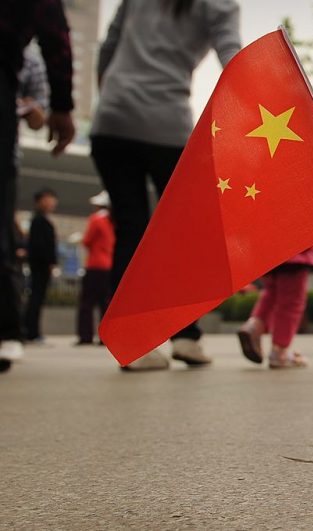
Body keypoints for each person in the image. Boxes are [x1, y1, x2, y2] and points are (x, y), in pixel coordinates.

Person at [91, 0, 241, 370]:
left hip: (112, 119)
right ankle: (186, 337)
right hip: (165, 124)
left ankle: (131, 342)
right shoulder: (218, 3)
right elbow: (231, 54)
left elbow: (108, 47)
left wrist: (112, 98)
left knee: (129, 228)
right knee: (179, 233)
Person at [0, 0, 75, 371]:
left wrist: (46, 108)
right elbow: (57, 31)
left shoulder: (28, 63)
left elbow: (37, 116)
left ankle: (9, 331)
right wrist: (65, 104)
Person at [237, 249, 313, 368]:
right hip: (296, 253)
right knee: (292, 301)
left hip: (270, 251)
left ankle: (254, 325)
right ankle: (280, 351)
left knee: (272, 293)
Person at [76, 191, 114, 346]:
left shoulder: (97, 219)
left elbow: (86, 241)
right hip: (109, 265)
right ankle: (105, 337)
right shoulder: (114, 221)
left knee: (87, 302)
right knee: (106, 302)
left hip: (95, 265)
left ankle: (86, 336)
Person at [24, 188, 58, 343]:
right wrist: (49, 262)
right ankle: (31, 331)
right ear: (41, 201)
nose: (52, 202)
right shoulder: (38, 220)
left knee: (37, 297)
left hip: (42, 264)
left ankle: (32, 330)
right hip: (40, 265)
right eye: (49, 199)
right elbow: (39, 245)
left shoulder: (42, 219)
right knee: (36, 297)